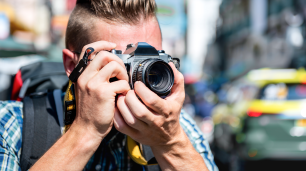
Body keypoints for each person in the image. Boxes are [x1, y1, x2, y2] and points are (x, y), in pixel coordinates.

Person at [0, 0, 218, 170]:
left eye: (152, 61)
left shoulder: (178, 128)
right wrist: (86, 132)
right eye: (119, 61)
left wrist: (170, 143)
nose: (138, 76)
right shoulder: (11, 125)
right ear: (71, 64)